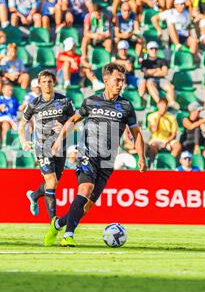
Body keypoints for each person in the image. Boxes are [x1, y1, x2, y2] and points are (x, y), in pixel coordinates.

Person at [45, 63, 147, 247]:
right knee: (85, 189)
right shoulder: (91, 101)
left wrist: (141, 156)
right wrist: (60, 140)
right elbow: (73, 120)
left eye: (122, 81)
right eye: (117, 80)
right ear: (106, 80)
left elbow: (136, 133)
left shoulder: (126, 106)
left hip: (108, 160)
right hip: (87, 153)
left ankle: (58, 223)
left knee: (87, 205)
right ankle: (68, 235)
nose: (120, 84)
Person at [18, 70, 75, 219]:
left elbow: (73, 123)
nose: (47, 85)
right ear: (39, 84)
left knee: (53, 184)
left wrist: (64, 128)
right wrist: (23, 141)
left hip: (60, 147)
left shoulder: (65, 101)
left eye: (49, 81)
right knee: (51, 181)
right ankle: (53, 224)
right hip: (42, 147)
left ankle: (34, 196)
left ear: (54, 83)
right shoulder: (34, 104)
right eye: (44, 82)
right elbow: (21, 125)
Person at [140, 41, 177, 109]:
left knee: (170, 86)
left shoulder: (162, 60)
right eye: (151, 49)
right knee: (150, 83)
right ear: (148, 50)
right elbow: (146, 72)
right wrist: (158, 70)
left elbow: (164, 72)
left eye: (155, 49)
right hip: (150, 80)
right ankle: (160, 103)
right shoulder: (145, 62)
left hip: (161, 79)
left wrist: (151, 72)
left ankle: (171, 103)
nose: (154, 50)